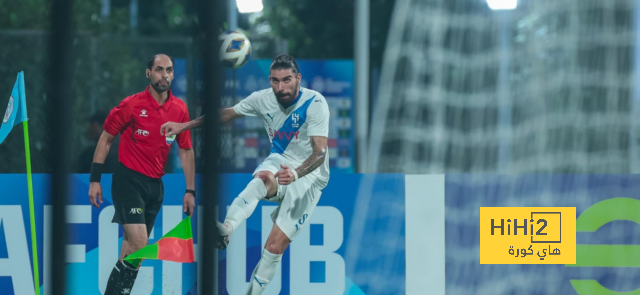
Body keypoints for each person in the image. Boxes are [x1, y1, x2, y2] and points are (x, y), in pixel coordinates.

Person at [161, 54, 330, 295]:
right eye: (275, 81)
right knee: (262, 178)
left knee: (273, 247)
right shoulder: (262, 99)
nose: (280, 87)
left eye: (286, 80)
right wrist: (182, 126)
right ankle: (226, 229)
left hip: (310, 177)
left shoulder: (315, 103)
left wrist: (295, 174)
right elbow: (225, 114)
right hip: (280, 159)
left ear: (298, 78)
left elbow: (320, 152)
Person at [88, 54, 196, 295]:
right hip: (128, 181)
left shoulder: (179, 109)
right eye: (159, 70)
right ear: (148, 73)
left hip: (155, 186)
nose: (164, 75)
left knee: (132, 250)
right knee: (140, 243)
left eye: (169, 70)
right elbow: (106, 139)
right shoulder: (131, 105)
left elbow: (186, 150)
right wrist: (94, 179)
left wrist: (190, 190)